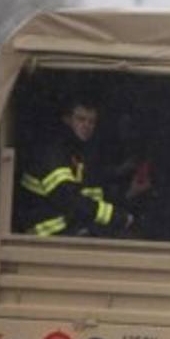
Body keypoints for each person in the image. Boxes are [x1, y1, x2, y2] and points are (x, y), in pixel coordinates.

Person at [17, 101, 149, 237]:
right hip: (45, 236)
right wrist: (117, 217)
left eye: (91, 122)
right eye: (81, 119)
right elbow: (70, 200)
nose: (87, 126)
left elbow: (91, 196)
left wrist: (129, 194)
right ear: (67, 120)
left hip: (69, 230)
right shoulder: (52, 152)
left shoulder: (77, 153)